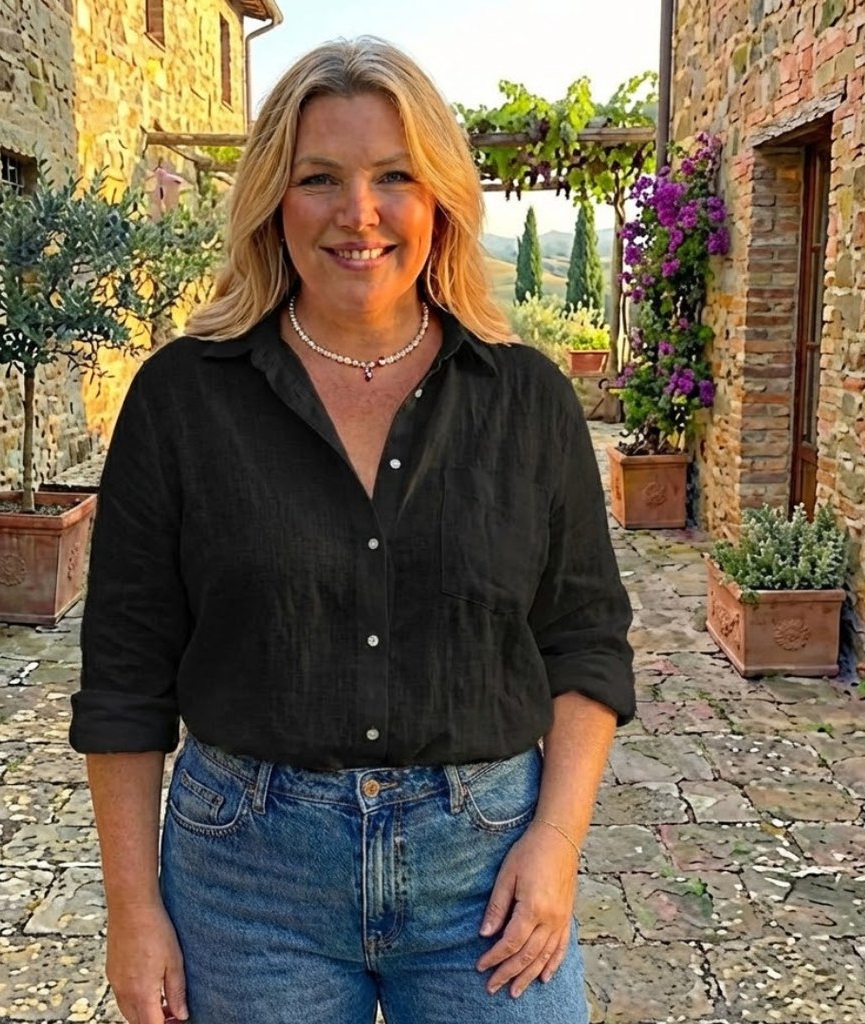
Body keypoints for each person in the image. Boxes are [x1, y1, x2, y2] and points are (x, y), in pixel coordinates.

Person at [70, 36, 634, 1024]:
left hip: (487, 871)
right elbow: (125, 673)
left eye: (394, 177)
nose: (358, 212)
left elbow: (585, 639)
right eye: (319, 177)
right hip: (248, 882)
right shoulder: (181, 400)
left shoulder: (528, 398)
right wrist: (132, 909)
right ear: (272, 200)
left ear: (439, 198)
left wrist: (555, 843)